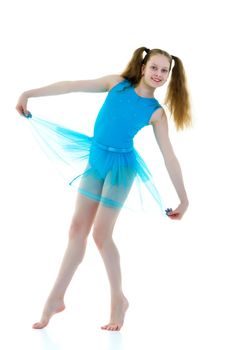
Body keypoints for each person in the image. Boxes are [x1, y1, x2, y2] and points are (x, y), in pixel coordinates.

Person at [15, 47, 192, 331]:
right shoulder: (116, 84)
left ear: (169, 76)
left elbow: (169, 155)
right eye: (154, 67)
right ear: (144, 66)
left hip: (121, 169)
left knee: (101, 234)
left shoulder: (156, 113)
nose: (158, 74)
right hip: (96, 159)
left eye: (164, 71)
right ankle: (55, 298)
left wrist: (184, 199)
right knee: (76, 229)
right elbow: (71, 87)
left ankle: (117, 301)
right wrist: (29, 93)